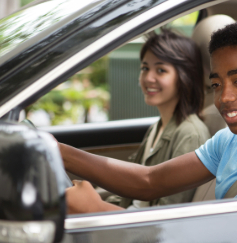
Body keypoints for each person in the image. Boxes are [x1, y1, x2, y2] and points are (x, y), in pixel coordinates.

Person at [61, 20, 237, 214]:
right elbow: (149, 181)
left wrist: (100, 211)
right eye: (217, 84)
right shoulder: (229, 141)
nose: (224, 97)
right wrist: (57, 151)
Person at [73, 29, 211, 211]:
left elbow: (167, 219)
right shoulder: (157, 127)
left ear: (185, 77)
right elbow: (129, 189)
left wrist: (94, 207)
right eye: (145, 68)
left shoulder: (190, 134)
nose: (148, 78)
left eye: (161, 70)